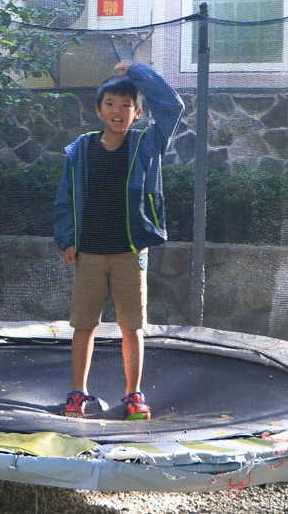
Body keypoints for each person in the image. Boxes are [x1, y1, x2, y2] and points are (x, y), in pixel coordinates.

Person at [53, 60, 184, 420]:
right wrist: (66, 238)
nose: (118, 111)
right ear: (98, 109)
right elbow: (66, 196)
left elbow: (173, 107)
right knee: (83, 325)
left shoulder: (146, 144)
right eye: (110, 104)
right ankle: (78, 394)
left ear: (138, 112)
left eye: (126, 105)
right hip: (89, 254)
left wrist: (138, 73)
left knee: (132, 326)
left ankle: (133, 396)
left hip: (130, 253)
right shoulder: (80, 150)